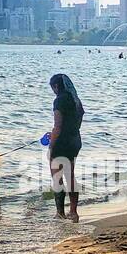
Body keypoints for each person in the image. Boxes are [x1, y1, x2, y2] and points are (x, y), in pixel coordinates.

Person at [46, 73, 84, 219]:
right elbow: (78, 120)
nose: (53, 91)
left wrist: (51, 145)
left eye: (53, 88)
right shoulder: (76, 100)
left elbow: (58, 126)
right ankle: (73, 212)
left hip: (62, 142)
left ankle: (60, 213)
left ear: (56, 86)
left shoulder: (59, 101)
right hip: (75, 140)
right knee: (70, 176)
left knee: (57, 178)